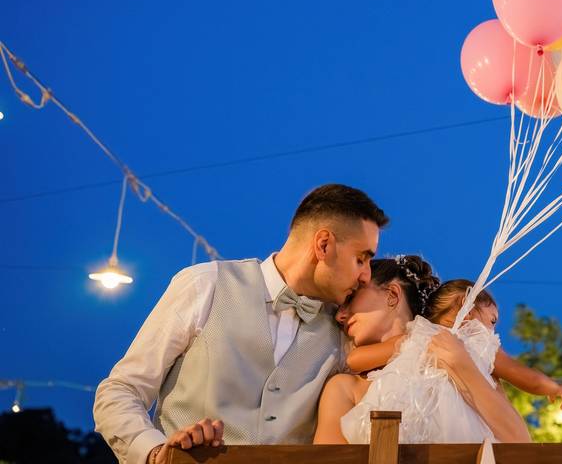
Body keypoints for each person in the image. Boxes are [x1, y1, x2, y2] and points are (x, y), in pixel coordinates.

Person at [94, 184, 388, 464]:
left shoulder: (341, 333)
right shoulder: (206, 284)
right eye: (361, 259)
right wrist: (155, 452)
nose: (365, 276)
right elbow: (120, 390)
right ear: (323, 245)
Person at [314, 257, 531, 444]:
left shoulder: (473, 363)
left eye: (351, 298)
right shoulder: (345, 388)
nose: (339, 315)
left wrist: (462, 365)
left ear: (392, 294)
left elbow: (520, 444)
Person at [346, 279, 562, 408]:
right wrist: (552, 387)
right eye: (492, 320)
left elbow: (355, 360)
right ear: (466, 305)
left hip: (402, 424)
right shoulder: (477, 344)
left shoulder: (417, 336)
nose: (492, 331)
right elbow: (520, 373)